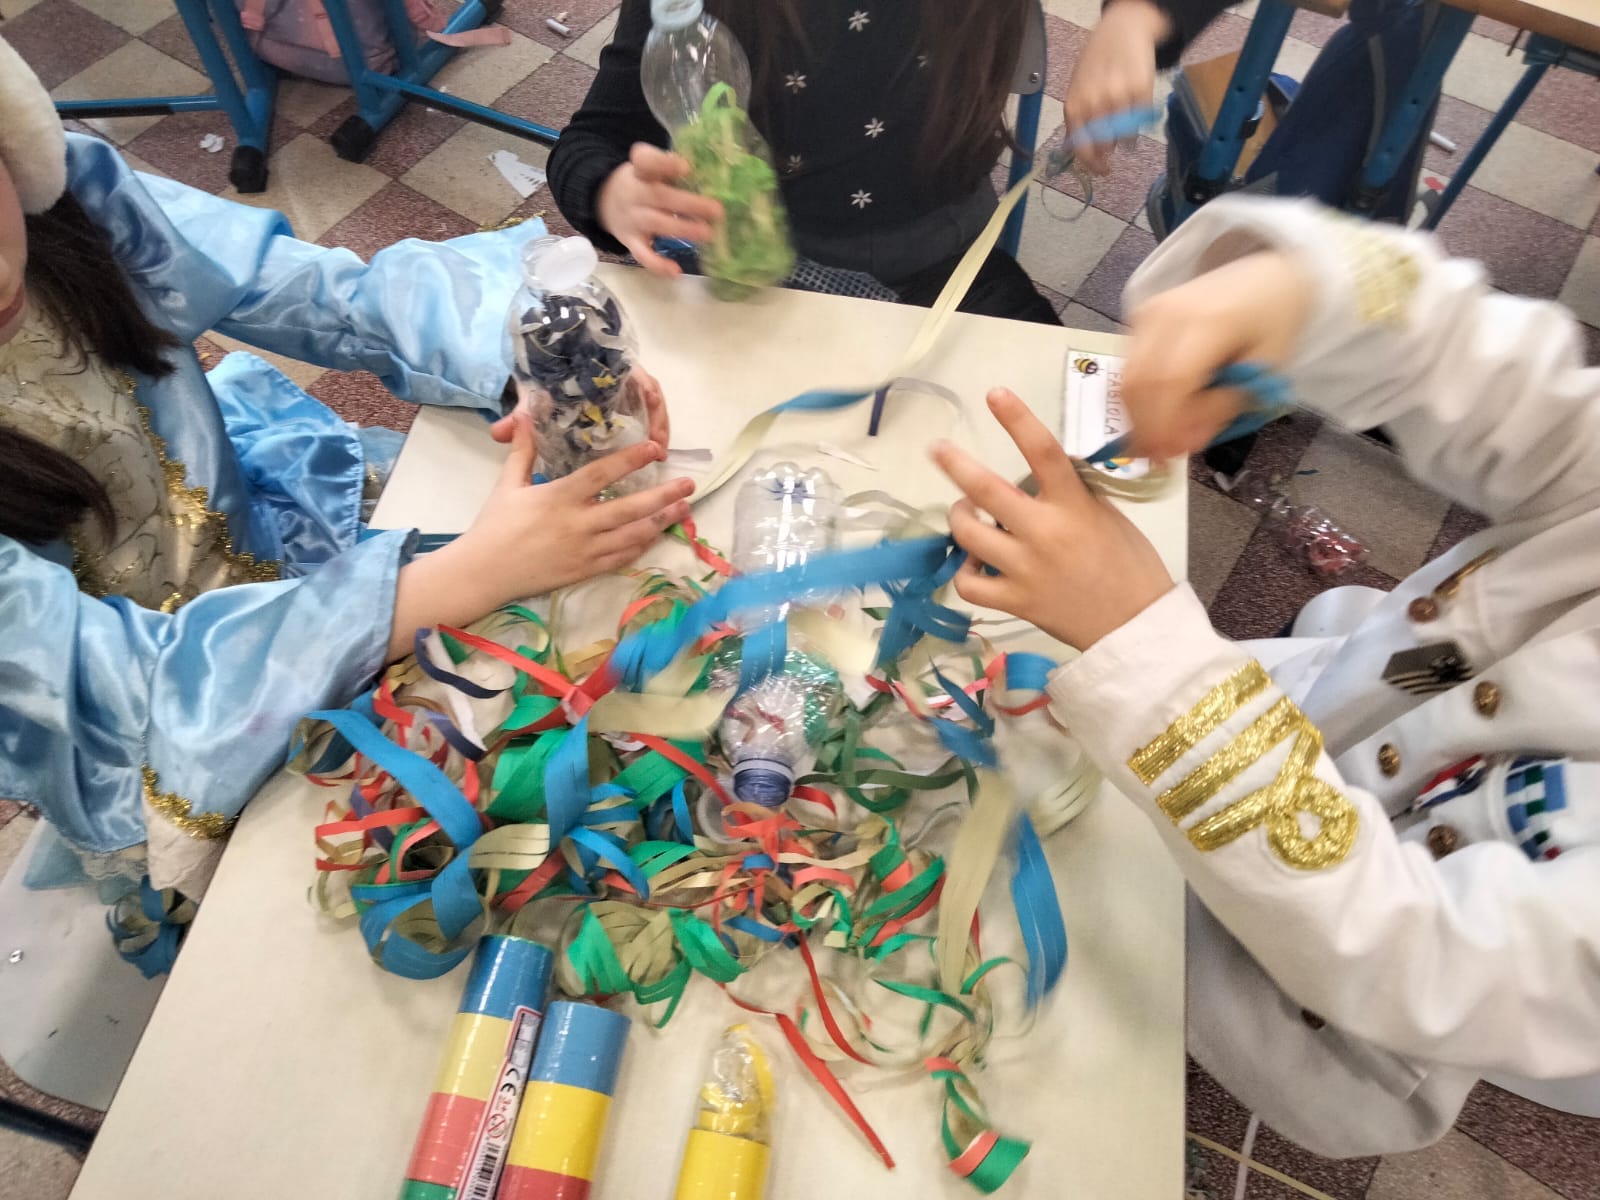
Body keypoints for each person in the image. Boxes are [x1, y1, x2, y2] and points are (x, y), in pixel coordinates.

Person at [932, 197, 1600, 1154]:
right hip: (1336, 703)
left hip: (1322, 994)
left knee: (1094, 1038)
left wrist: (1145, 652)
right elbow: (1508, 387)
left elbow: (1414, 956)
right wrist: (1304, 292)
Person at [0, 38, 692, 902]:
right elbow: (114, 681)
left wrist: (528, 358)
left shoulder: (71, 199)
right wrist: (463, 577)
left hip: (280, 541)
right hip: (154, 714)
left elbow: (306, 289)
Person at [547, 0, 1062, 324]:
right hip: (753, 271)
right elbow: (590, 142)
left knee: (1056, 434)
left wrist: (1115, 26)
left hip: (947, 266)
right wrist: (609, 192)